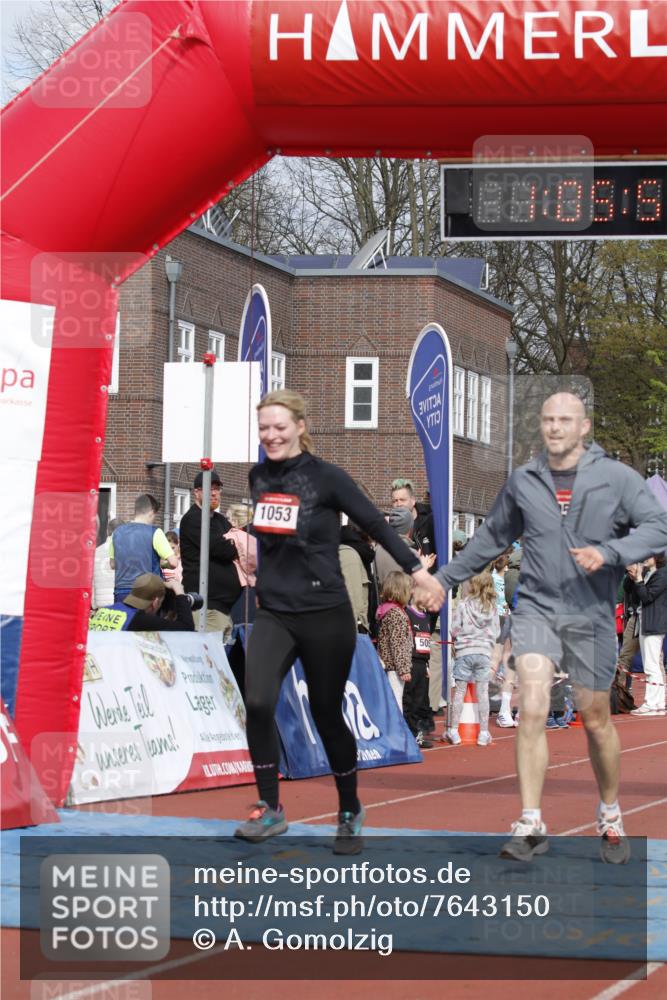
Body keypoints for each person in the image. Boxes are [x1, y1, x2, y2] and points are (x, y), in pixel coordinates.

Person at [433, 391, 667, 863]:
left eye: (566, 419)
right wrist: (443, 580)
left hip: (591, 612)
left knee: (596, 719)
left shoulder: (616, 479)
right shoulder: (525, 481)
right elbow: (491, 539)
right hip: (536, 607)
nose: (556, 427)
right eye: (548, 420)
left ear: (584, 427)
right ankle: (531, 819)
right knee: (533, 704)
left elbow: (659, 526)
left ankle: (609, 810)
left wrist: (611, 552)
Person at [234, 390, 443, 854]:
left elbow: (378, 523)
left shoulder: (327, 478)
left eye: (279, 427)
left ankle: (349, 808)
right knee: (259, 700)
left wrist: (419, 572)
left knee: (327, 713)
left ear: (300, 427)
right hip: (275, 612)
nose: (270, 435)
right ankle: (271, 808)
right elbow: (273, 535)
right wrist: (253, 554)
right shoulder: (258, 477)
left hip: (325, 613)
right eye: (263, 427)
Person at [179, 470, 241, 639]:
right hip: (206, 609)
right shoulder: (193, 519)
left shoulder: (220, 520)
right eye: (209, 488)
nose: (214, 492)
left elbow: (239, 541)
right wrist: (235, 544)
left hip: (223, 609)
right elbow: (224, 549)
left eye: (217, 488)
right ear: (197, 492)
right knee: (208, 660)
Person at [445, 571, 498, 747]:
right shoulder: (492, 607)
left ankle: (453, 730)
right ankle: (483, 732)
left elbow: (454, 629)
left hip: (464, 651)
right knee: (483, 693)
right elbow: (496, 631)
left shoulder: (462, 605)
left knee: (459, 692)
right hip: (483, 652)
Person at [110, 495, 177, 601]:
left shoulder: (117, 532)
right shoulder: (155, 532)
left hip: (121, 591)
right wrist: (163, 564)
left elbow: (113, 564)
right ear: (151, 512)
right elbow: (174, 563)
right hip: (147, 592)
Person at [627, 554, 667, 716]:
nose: (644, 558)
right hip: (647, 622)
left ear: (657, 557)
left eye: (648, 556)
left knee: (651, 665)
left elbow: (647, 597)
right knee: (653, 664)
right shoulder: (650, 573)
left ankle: (652, 703)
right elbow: (633, 594)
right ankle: (658, 703)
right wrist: (633, 578)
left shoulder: (662, 574)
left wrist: (638, 579)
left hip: (654, 623)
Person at [89, 573, 195, 631]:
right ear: (155, 602)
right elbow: (187, 627)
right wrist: (179, 592)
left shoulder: (104, 610)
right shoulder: (139, 620)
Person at [376, 571, 415, 711]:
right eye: (409, 589)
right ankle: (398, 730)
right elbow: (397, 644)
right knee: (396, 698)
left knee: (392, 697)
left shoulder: (387, 610)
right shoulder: (396, 614)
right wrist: (403, 669)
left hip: (390, 665)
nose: (411, 593)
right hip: (394, 667)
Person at [92, 517, 123, 609]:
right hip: (119, 602)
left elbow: (91, 580)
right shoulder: (125, 551)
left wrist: (94, 603)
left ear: (107, 531)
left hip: (100, 602)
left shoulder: (95, 552)